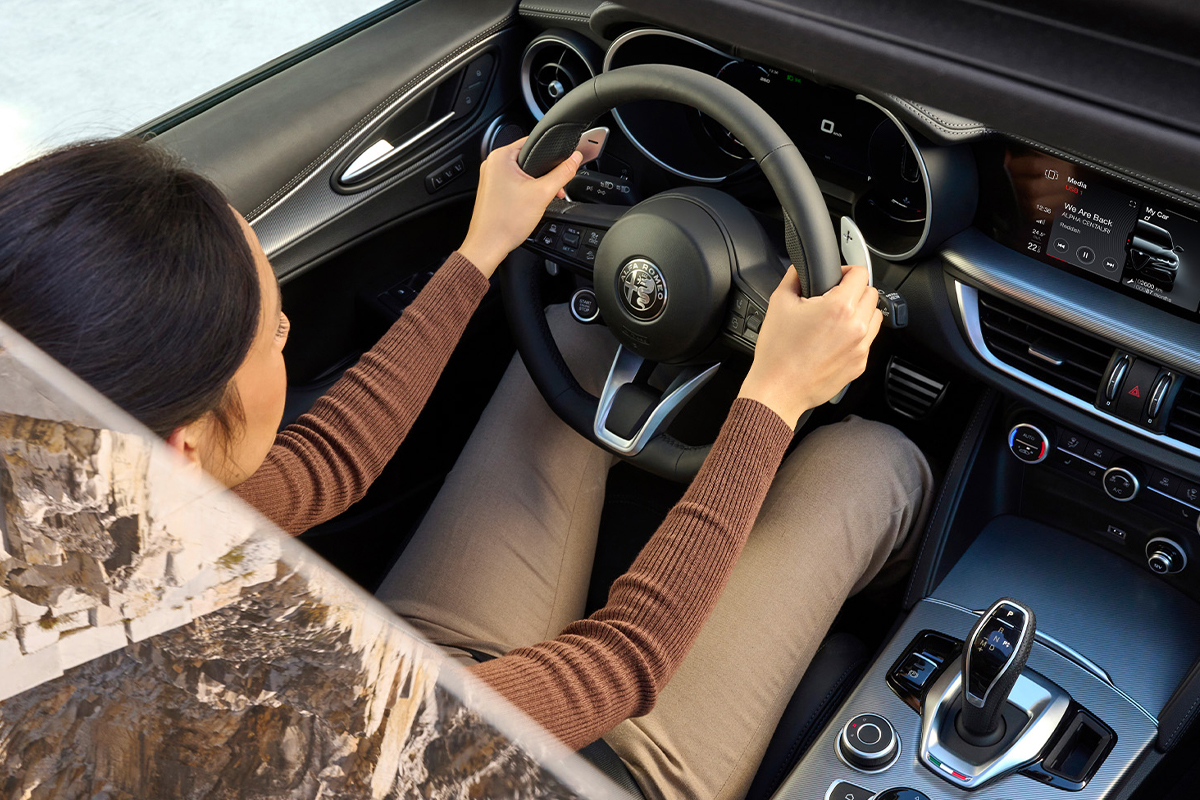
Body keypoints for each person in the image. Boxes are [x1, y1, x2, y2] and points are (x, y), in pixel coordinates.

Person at [0, 137, 931, 799]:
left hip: (419, 701)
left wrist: (482, 246)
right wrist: (773, 396)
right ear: (181, 453)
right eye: (270, 333)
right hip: (508, 759)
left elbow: (325, 464)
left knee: (576, 337)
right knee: (873, 460)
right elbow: (622, 665)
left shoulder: (69, 491)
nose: (287, 329)